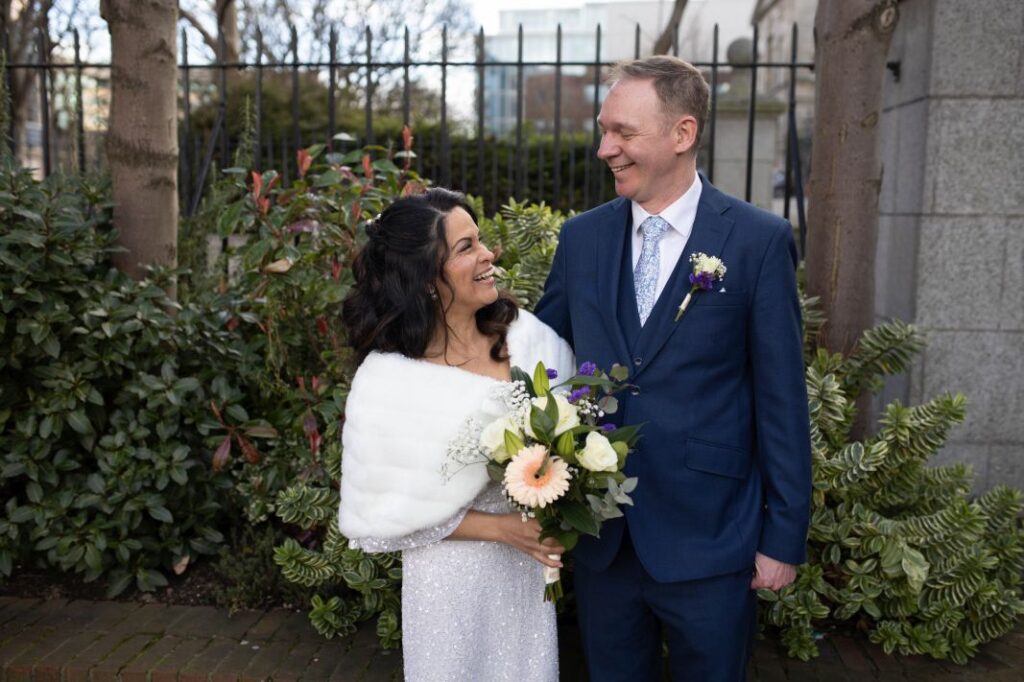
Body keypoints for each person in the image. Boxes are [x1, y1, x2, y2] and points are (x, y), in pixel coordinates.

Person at [534, 56, 812, 681]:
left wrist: (783, 537)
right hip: (603, 539)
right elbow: (539, 354)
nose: (606, 148)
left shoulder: (757, 241)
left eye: (624, 133)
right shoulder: (581, 239)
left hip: (713, 537)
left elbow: (781, 400)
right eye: (604, 130)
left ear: (682, 134)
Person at [337, 188, 573, 682]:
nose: (488, 255)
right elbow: (380, 517)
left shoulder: (528, 338)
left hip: (524, 578)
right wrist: (503, 529)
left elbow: (576, 435)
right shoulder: (388, 380)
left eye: (480, 240)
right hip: (447, 584)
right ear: (426, 278)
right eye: (466, 248)